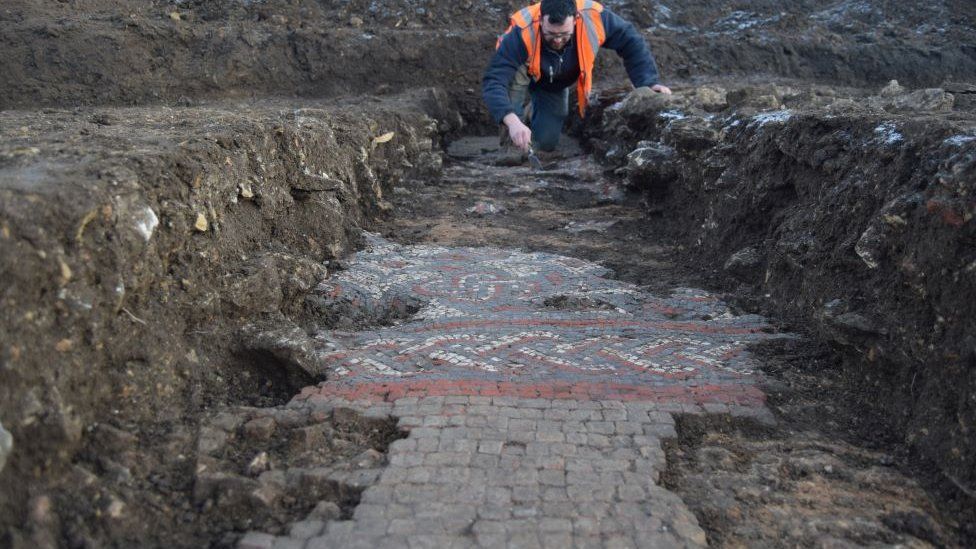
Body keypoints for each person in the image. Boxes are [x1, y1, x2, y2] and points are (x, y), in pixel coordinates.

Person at [483, 0, 671, 153]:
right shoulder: (522, 31)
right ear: (541, 20)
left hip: (554, 79)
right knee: (516, 141)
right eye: (550, 34)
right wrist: (512, 121)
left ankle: (532, 111)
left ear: (575, 20)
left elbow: (631, 42)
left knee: (546, 143)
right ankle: (513, 139)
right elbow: (494, 81)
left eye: (564, 35)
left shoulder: (595, 18)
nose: (557, 40)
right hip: (521, 70)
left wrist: (649, 83)